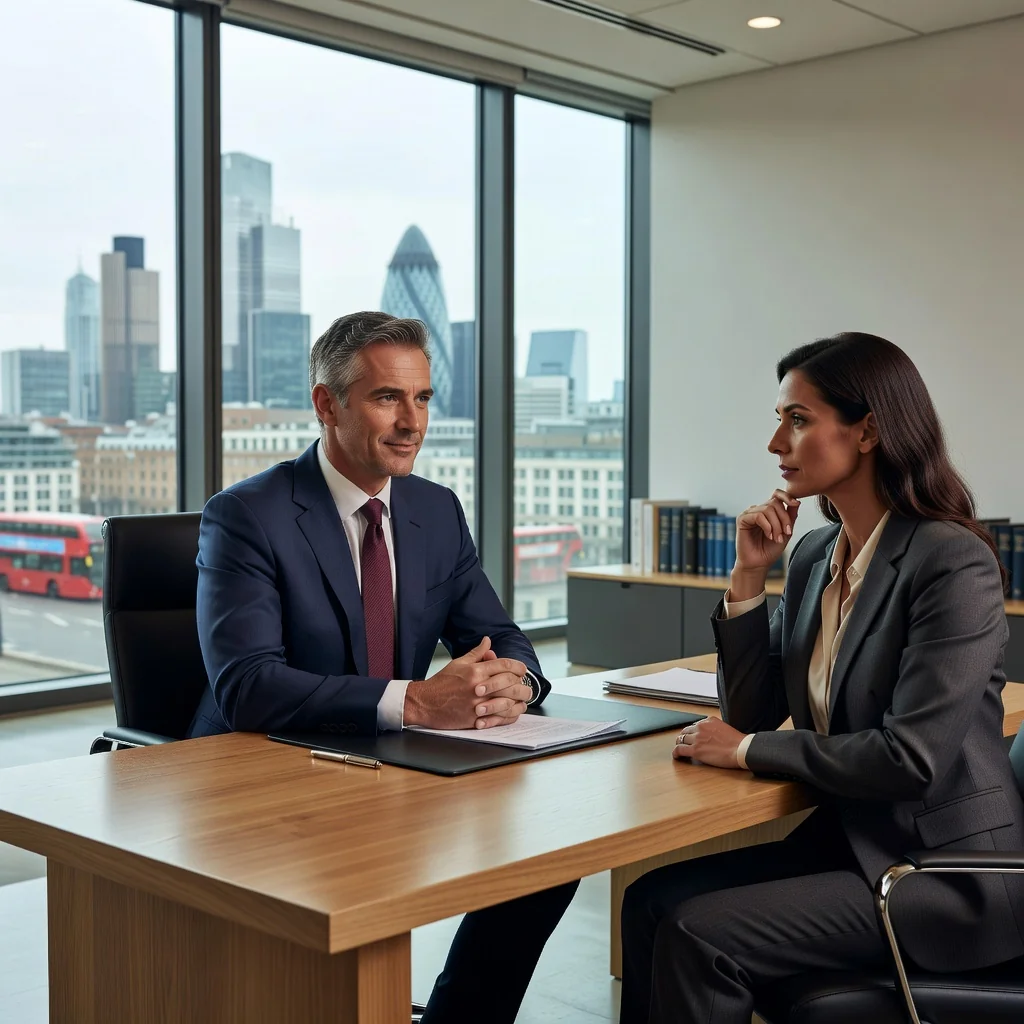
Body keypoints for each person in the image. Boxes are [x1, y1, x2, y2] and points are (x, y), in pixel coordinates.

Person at [619, 332, 1024, 1024]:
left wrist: (744, 751)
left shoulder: (951, 563)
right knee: (649, 900)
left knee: (697, 934)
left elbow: (911, 758)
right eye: (781, 420)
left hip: (943, 879)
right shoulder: (813, 557)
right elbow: (750, 710)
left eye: (798, 419)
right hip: (854, 844)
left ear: (867, 431)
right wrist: (749, 577)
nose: (777, 443)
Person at [190, 311, 578, 1024]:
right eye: (386, 398)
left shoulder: (435, 509)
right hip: (265, 778)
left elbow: (500, 636)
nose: (411, 422)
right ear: (326, 404)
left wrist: (513, 683)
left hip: (390, 768)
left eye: (423, 398)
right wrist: (421, 703)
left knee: (546, 858)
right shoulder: (248, 516)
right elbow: (247, 687)